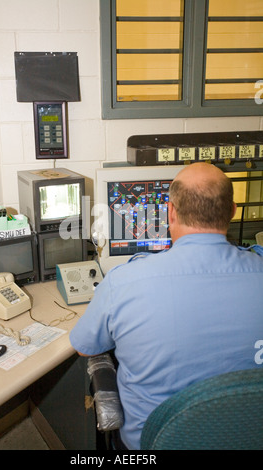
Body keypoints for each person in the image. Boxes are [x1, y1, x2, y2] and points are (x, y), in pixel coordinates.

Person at [69, 162, 263, 450]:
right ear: (233, 212)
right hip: (247, 437)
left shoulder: (124, 282)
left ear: (170, 212)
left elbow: (85, 346)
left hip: (157, 443)